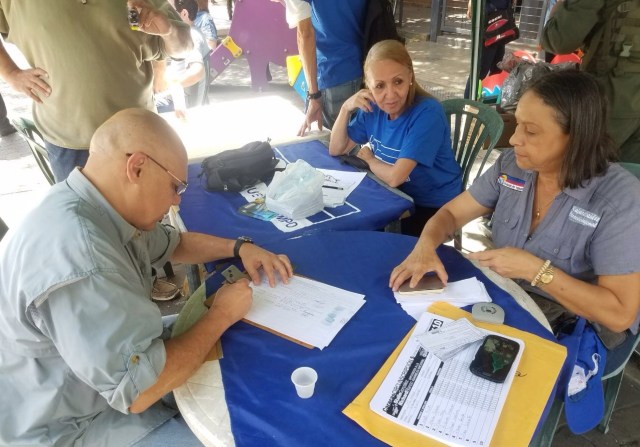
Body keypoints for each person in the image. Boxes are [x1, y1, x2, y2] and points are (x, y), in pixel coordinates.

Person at [0, 108, 293, 446]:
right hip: (67, 425)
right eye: (174, 186)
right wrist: (221, 315)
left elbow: (176, 243)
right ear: (136, 167)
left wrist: (239, 247)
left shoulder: (94, 206)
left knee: (237, 359)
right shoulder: (83, 255)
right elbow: (139, 390)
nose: (175, 202)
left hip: (91, 383)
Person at [390, 70, 640, 373]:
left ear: (576, 138)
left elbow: (618, 314)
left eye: (531, 131)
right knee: (421, 341)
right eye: (518, 123)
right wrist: (425, 247)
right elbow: (451, 214)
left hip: (579, 323)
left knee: (476, 374)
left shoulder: (618, 201)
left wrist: (536, 270)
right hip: (512, 299)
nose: (514, 139)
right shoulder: (514, 168)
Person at [0, 0, 193, 182]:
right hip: (70, 143)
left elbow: (184, 45)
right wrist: (11, 73)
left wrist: (169, 31)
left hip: (138, 136)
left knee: (150, 216)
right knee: (81, 216)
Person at [329, 40, 462, 237]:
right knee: (346, 223)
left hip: (434, 205)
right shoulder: (372, 107)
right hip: (396, 196)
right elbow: (336, 149)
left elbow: (395, 177)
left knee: (374, 239)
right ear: (369, 87)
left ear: (410, 77)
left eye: (398, 81)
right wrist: (345, 108)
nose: (390, 95)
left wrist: (370, 160)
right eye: (380, 86)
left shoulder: (427, 114)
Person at [541, 0, 640, 163]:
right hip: (624, 96)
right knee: (631, 178)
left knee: (582, 172)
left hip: (612, 97)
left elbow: (558, 40)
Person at [280, 0, 367, 135]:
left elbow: (305, 34)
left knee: (332, 147)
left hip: (332, 74)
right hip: (367, 66)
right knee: (359, 145)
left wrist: (314, 96)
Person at [155, 0, 211, 113]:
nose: (166, 16)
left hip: (180, 102)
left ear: (184, 13)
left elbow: (197, 71)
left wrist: (168, 86)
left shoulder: (191, 37)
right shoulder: (194, 32)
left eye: (170, 11)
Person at [464, 0, 513, 99]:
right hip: (489, 22)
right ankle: (468, 103)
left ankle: (490, 99)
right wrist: (471, 6)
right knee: (480, 70)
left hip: (501, 22)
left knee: (497, 67)